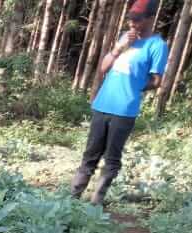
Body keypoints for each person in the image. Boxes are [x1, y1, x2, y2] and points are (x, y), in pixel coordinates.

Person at [70, 0, 169, 206]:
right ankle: (71, 199)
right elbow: (103, 68)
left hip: (125, 110)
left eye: (138, 20)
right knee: (90, 154)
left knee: (112, 158)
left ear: (151, 19)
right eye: (130, 19)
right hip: (102, 105)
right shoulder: (125, 38)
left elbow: (156, 81)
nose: (132, 24)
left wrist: (134, 85)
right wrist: (119, 48)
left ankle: (96, 203)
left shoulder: (157, 45)